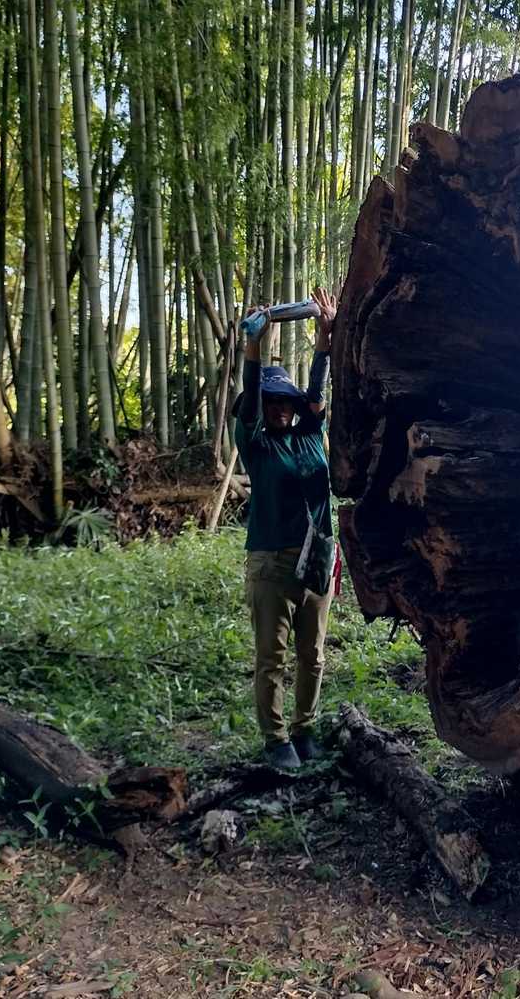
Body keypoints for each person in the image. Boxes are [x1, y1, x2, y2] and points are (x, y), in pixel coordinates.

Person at [234, 287, 338, 770]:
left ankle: (305, 729)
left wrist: (324, 341)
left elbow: (316, 394)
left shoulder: (309, 436)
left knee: (312, 655)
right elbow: (250, 401)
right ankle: (276, 739)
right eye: (271, 401)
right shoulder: (255, 444)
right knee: (271, 658)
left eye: (285, 402)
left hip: (316, 560)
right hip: (272, 563)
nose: (279, 408)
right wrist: (255, 346)